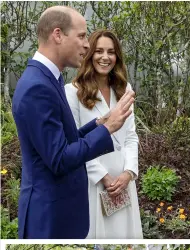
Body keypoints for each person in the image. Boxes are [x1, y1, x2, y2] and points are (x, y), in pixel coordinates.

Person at [12, 6, 135, 239]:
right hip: (49, 219)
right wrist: (108, 129)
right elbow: (58, 159)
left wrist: (99, 123)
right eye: (81, 36)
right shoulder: (37, 87)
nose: (86, 45)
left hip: (60, 213)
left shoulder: (50, 79)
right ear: (57, 35)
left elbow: (64, 140)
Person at [65, 29, 143, 239]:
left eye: (111, 52)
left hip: (124, 182)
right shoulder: (72, 92)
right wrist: (104, 177)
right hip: (94, 182)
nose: (105, 57)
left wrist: (128, 173)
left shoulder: (124, 89)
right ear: (90, 54)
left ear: (117, 57)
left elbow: (130, 136)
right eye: (99, 51)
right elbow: (74, 142)